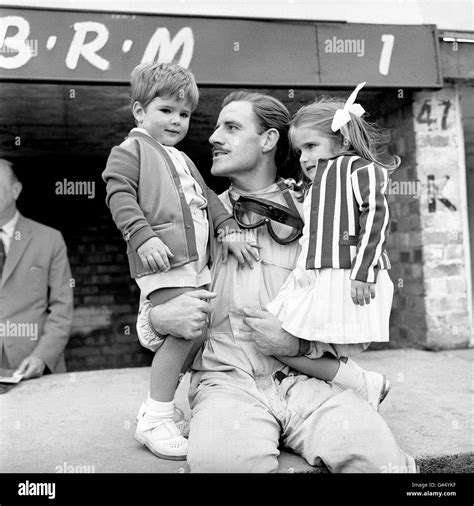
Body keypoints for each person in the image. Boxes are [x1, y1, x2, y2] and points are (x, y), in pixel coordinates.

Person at [137, 91, 416, 473]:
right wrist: (161, 319)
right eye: (218, 128)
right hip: (226, 383)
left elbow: (359, 317)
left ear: (268, 140)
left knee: (381, 463)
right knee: (224, 466)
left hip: (310, 384)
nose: (213, 138)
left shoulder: (321, 209)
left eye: (231, 127)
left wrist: (299, 344)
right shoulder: (193, 218)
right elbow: (149, 323)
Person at [103, 63, 257, 461]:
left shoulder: (183, 159)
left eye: (184, 114)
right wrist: (141, 236)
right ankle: (154, 416)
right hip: (162, 263)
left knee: (198, 330)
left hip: (194, 265)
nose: (176, 120)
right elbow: (118, 194)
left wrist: (227, 229)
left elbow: (207, 196)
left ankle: (163, 406)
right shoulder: (131, 150)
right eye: (166, 110)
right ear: (140, 112)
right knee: (185, 330)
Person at [266, 82, 398, 409]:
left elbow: (376, 214)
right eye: (300, 152)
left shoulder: (357, 168)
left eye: (311, 146)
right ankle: (362, 383)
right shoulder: (316, 184)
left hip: (346, 274)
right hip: (312, 273)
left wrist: (364, 272)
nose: (305, 157)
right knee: (279, 329)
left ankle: (351, 385)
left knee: (284, 338)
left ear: (342, 139)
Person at [0, 159, 73, 379]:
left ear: (16, 190)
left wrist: (42, 357)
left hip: (33, 365)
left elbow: (62, 307)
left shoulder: (50, 239)